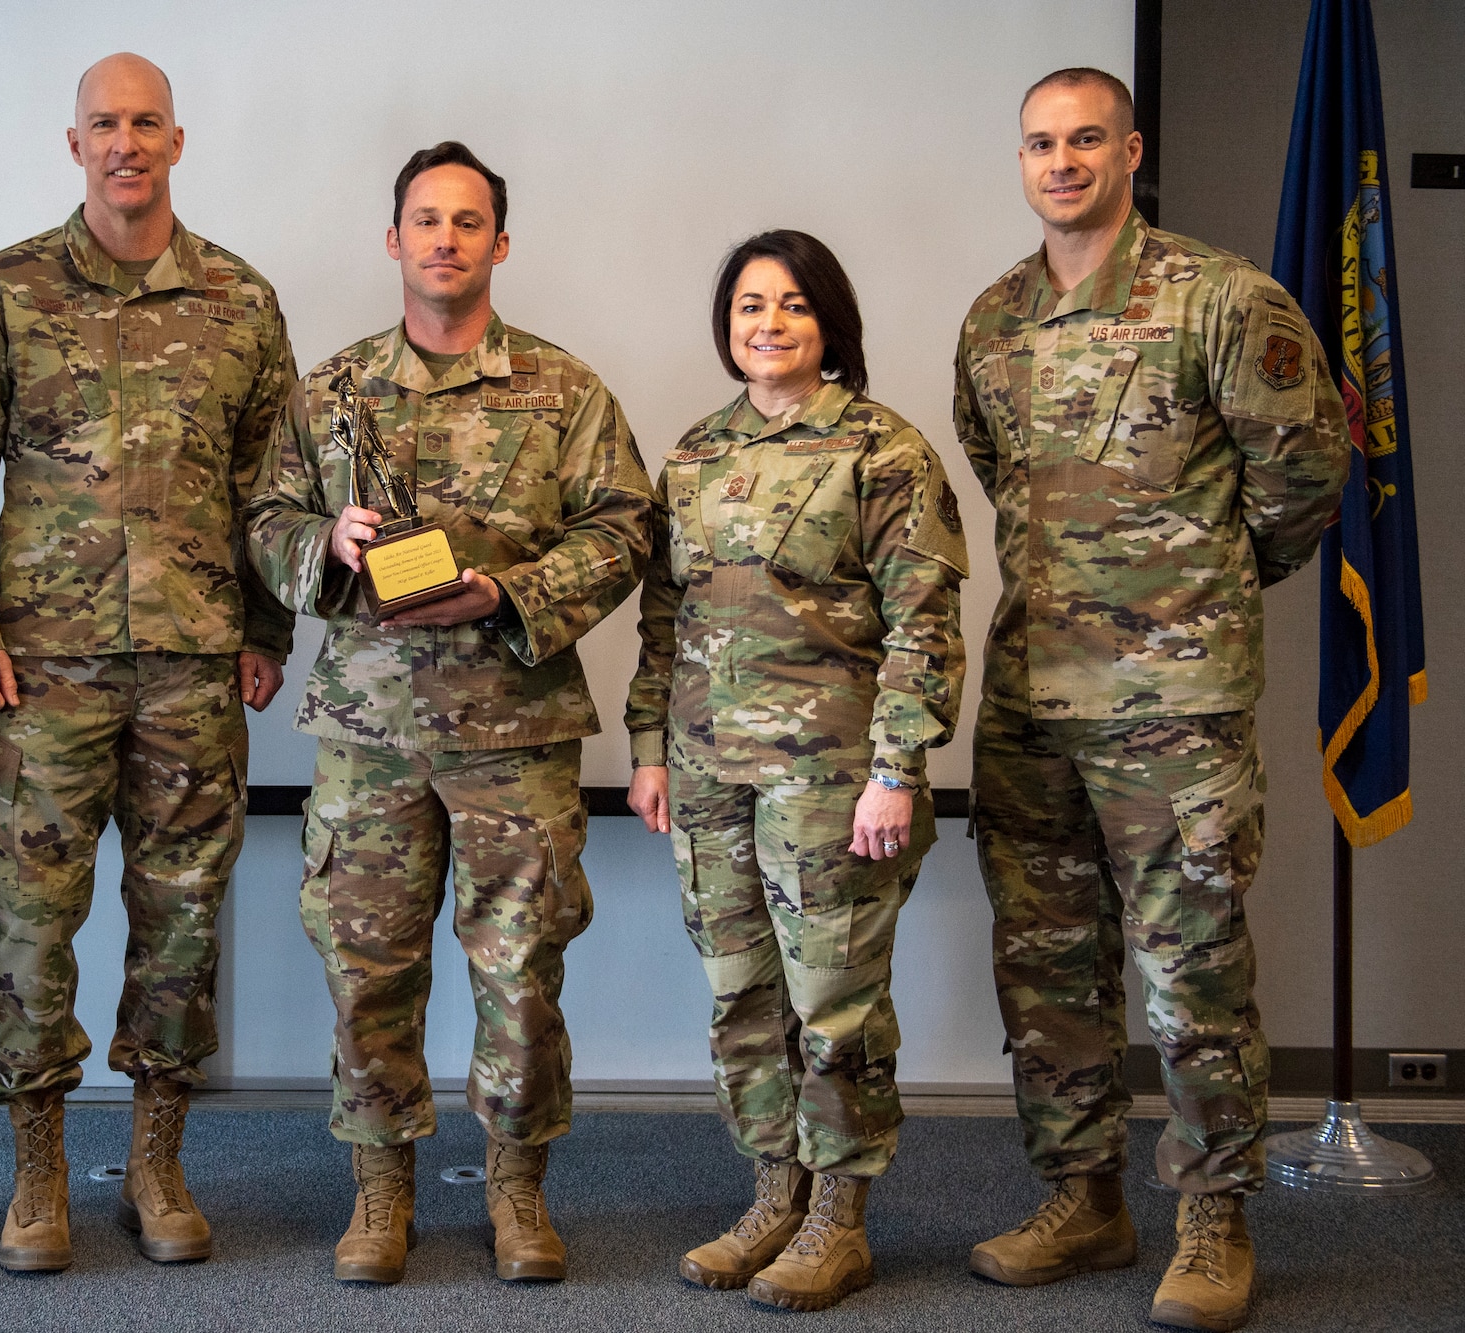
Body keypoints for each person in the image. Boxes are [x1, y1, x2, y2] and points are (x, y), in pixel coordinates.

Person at [955, 68, 1351, 1333]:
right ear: (1018, 159)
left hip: (1171, 703)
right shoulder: (993, 317)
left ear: (1131, 149)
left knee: (1190, 969)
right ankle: (1082, 1198)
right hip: (1027, 695)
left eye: (1083, 140)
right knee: (1046, 968)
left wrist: (1198, 593)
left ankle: (1210, 1217)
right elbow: (995, 470)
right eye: (1038, 143)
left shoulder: (1221, 299)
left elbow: (1298, 480)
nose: (1059, 161)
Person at [244, 141, 653, 1287]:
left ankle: (517, 1188)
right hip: (369, 736)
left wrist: (513, 591)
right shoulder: (328, 391)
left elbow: (624, 528)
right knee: (366, 967)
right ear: (392, 240)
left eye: (467, 222)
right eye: (424, 219)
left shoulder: (563, 391)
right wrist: (321, 543)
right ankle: (380, 1190)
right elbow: (265, 520)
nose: (444, 239)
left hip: (512, 734)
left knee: (519, 970)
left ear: (499, 244)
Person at [0, 53, 296, 1274]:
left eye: (145, 123)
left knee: (181, 919)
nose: (124, 143)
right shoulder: (4, 291)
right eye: (103, 124)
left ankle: (155, 1158)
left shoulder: (239, 298)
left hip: (191, 664)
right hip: (42, 673)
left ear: (176, 142)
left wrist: (265, 626)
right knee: (35, 920)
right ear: (70, 142)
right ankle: (36, 1168)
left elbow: (270, 487)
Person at [626, 232, 968, 1311]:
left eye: (789, 305)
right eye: (745, 306)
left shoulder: (882, 450)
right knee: (741, 996)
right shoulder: (691, 453)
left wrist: (896, 771)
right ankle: (773, 1191)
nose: (765, 324)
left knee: (833, 1005)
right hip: (708, 772)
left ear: (828, 321)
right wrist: (648, 749)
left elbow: (924, 625)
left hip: (831, 779)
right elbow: (664, 618)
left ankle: (838, 1217)